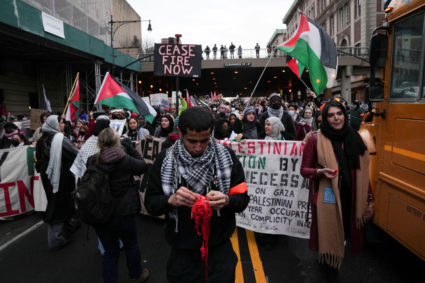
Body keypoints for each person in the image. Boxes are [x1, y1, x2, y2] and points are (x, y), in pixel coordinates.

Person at [145, 107, 249, 283]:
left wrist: (227, 200)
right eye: (192, 141)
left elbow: (243, 199)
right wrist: (169, 200)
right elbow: (151, 203)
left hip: (219, 252)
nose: (198, 147)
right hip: (182, 254)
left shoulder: (227, 157)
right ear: (179, 133)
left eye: (205, 141)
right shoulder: (164, 160)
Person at [300, 101, 374, 281]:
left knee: (344, 235)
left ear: (344, 115)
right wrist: (319, 172)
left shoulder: (355, 138)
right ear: (325, 118)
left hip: (351, 196)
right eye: (331, 115)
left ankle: (331, 259)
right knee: (328, 236)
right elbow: (304, 170)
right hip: (327, 196)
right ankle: (329, 267)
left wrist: (370, 199)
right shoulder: (315, 139)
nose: (336, 118)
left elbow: (362, 173)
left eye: (339, 114)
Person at [93, 127, 149, 283]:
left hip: (102, 212)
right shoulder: (124, 159)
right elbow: (143, 166)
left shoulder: (94, 160)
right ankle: (136, 274)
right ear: (116, 141)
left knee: (110, 251)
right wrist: (131, 149)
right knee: (131, 244)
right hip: (124, 210)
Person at [35, 115, 79, 250]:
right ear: (54, 125)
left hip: (48, 176)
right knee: (59, 203)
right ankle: (56, 239)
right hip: (60, 176)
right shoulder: (59, 139)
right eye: (60, 122)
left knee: (57, 200)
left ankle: (67, 226)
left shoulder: (42, 139)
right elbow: (75, 153)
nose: (63, 124)